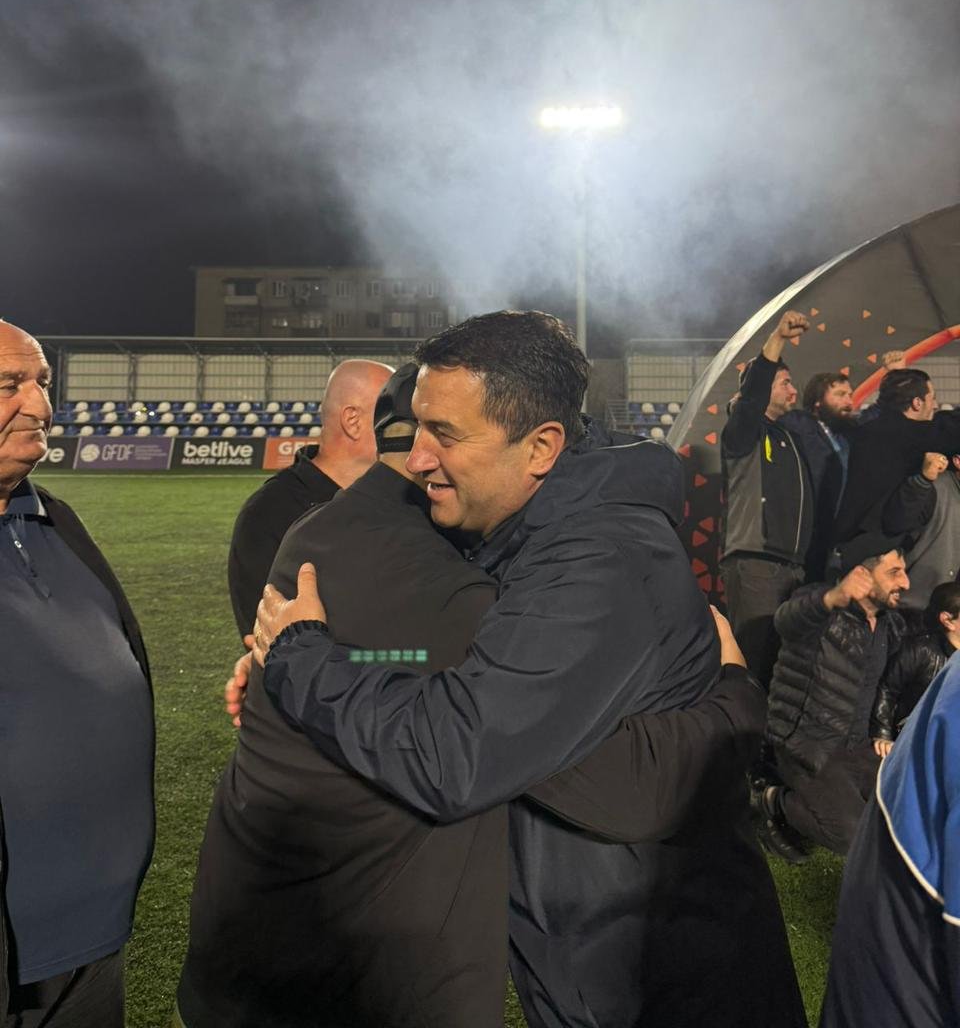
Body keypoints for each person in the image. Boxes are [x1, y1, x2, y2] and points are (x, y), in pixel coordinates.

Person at [253, 311, 806, 1028]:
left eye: (444, 434)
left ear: (542, 446)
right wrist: (355, 654)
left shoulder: (594, 561)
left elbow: (456, 753)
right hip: (604, 947)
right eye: (417, 428)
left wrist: (300, 657)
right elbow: (471, 673)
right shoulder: (533, 518)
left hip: (659, 972)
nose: (416, 459)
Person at [0, 322, 153, 1028]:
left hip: (92, 934)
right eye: (10, 385)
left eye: (43, 383)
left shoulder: (57, 520)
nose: (39, 406)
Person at [819, 654, 960, 1028]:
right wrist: (880, 731)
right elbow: (884, 687)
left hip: (887, 976)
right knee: (838, 823)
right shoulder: (920, 649)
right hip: (824, 750)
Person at [757, 537, 908, 858]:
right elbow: (786, 620)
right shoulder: (819, 605)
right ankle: (774, 800)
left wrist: (882, 733)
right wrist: (832, 598)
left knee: (907, 810)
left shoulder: (889, 625)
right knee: (855, 839)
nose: (905, 583)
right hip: (809, 748)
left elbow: (888, 688)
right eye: (894, 572)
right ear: (862, 574)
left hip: (858, 746)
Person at [227, 358, 393, 634]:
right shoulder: (268, 515)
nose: (411, 429)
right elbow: (269, 642)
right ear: (352, 421)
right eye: (393, 414)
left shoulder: (398, 497)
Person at [719, 309, 813, 689]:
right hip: (757, 564)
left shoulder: (789, 437)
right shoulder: (744, 431)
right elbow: (753, 395)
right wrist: (778, 339)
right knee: (752, 663)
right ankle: (738, 727)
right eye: (785, 382)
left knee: (781, 667)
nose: (793, 391)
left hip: (792, 567)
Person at [833, 366, 960, 551]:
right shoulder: (912, 435)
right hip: (876, 546)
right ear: (917, 403)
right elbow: (947, 429)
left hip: (845, 540)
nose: (935, 405)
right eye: (932, 398)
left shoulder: (865, 431)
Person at [781, 371, 857, 581]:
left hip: (835, 534)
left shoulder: (845, 435)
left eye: (850, 395)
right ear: (817, 401)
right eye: (840, 394)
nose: (849, 402)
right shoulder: (800, 425)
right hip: (806, 533)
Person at [872, 580, 960, 753]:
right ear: (947, 620)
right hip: (912, 740)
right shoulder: (919, 650)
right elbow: (888, 689)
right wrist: (882, 734)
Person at [904, 452, 960, 608]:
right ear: (957, 461)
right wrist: (922, 481)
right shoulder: (935, 486)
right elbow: (895, 525)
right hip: (907, 601)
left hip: (942, 611)